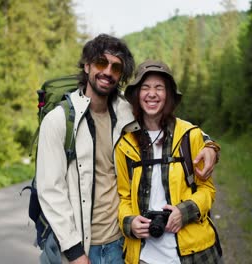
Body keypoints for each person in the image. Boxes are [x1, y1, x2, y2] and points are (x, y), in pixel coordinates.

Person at [36, 34, 219, 264]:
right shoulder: (59, 121)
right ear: (87, 65)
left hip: (122, 244)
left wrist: (210, 146)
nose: (108, 72)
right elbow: (50, 191)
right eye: (101, 63)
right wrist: (74, 253)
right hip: (81, 247)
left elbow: (173, 127)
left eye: (116, 67)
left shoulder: (125, 112)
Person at [115, 60, 222, 263]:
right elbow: (124, 198)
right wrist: (129, 222)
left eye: (159, 88)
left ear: (169, 95)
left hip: (194, 254)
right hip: (143, 256)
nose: (152, 94)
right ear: (137, 95)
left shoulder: (189, 135)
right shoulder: (125, 143)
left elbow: (207, 190)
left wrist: (185, 211)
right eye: (145, 88)